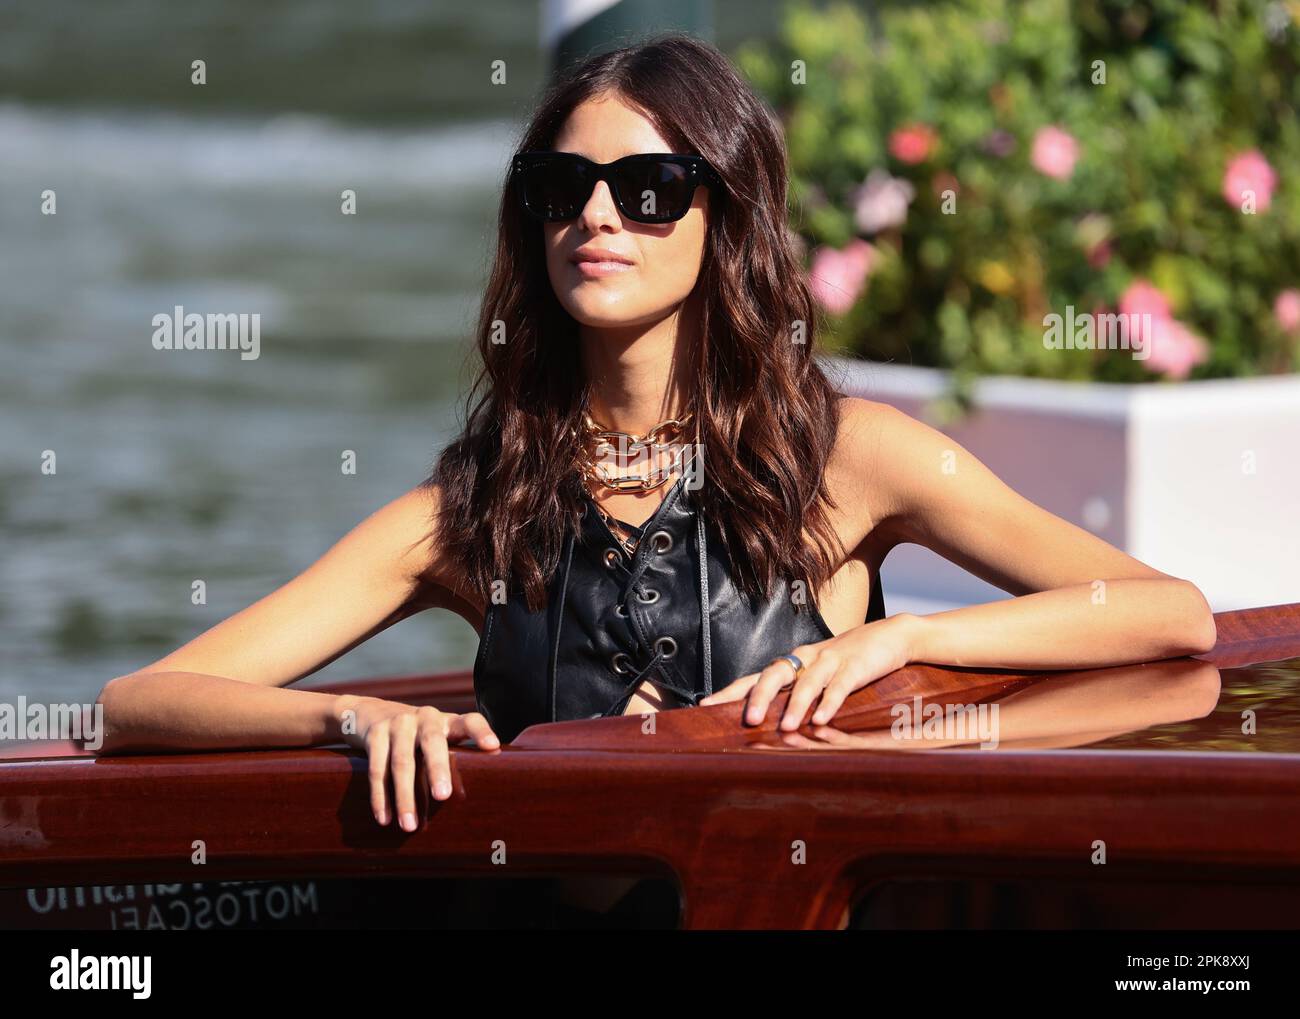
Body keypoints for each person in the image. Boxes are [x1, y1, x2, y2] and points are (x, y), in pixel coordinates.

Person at [95, 34, 1216, 853]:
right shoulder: (470, 508)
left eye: (646, 190)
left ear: (724, 218)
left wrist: (900, 649)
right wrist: (360, 714)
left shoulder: (850, 457)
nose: (596, 218)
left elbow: (1168, 614)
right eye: (560, 190)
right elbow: (143, 701)